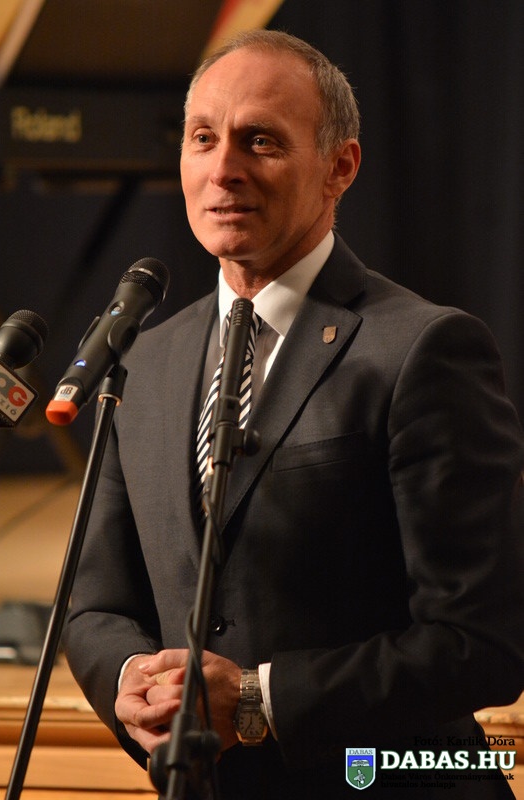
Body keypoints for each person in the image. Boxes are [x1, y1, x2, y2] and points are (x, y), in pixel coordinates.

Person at [63, 30, 524, 799]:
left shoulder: (424, 349)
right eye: (202, 138)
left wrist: (256, 702)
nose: (223, 169)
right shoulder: (144, 361)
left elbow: (482, 644)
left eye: (260, 141)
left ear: (339, 167)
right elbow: (96, 607)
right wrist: (133, 679)